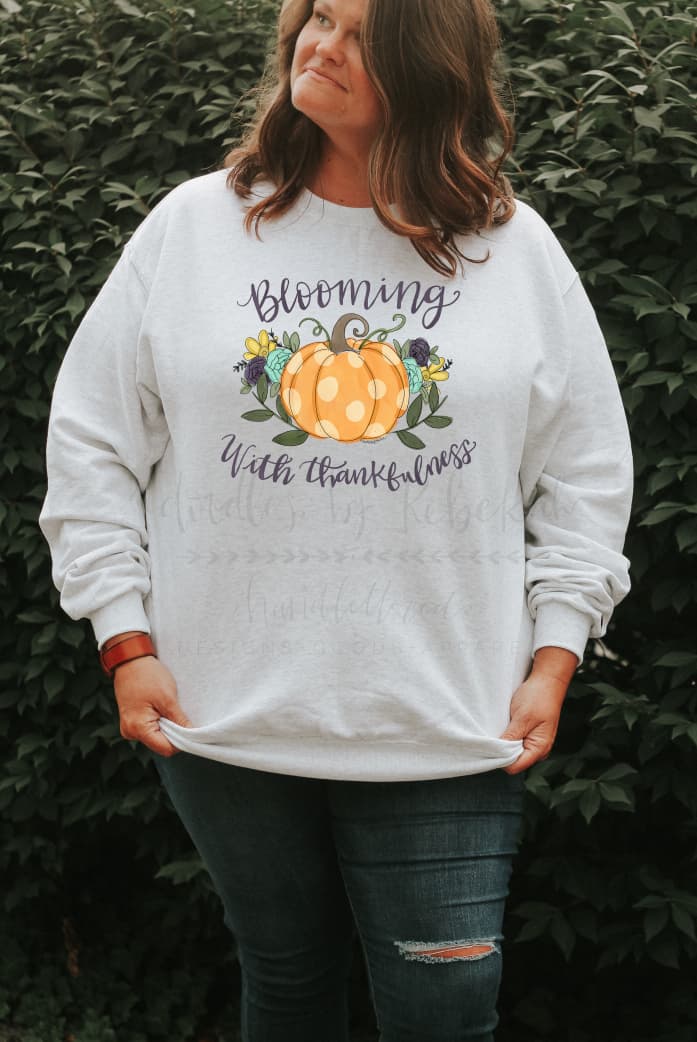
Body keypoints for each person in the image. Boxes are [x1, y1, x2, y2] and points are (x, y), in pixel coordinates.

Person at [38, 0, 634, 1038]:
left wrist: (555, 651)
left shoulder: (511, 249)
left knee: (443, 1007)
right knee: (286, 978)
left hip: (447, 717)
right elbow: (91, 440)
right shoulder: (195, 227)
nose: (321, 44)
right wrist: (124, 641)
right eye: (317, 16)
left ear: (427, 63)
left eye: (361, 32)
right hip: (225, 710)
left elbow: (585, 467)